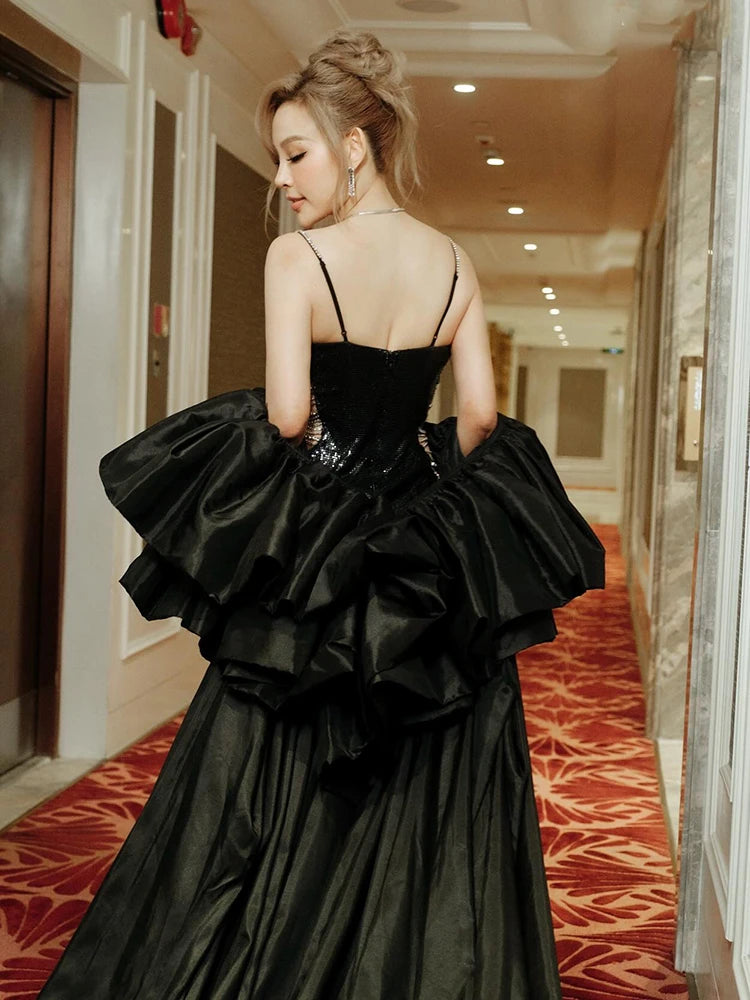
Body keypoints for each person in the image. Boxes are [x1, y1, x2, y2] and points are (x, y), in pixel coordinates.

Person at [38, 28, 604, 1000]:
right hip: (419, 555)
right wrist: (418, 480)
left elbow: (291, 417)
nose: (283, 179)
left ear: (352, 146)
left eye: (295, 154)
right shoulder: (455, 263)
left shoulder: (298, 258)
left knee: (261, 775)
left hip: (321, 552)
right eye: (277, 159)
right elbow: (476, 415)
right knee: (425, 776)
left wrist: (336, 474)